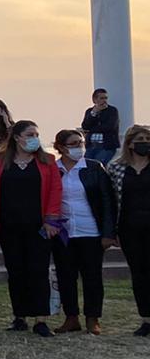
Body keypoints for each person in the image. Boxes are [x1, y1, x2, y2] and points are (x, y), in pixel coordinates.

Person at [0, 119, 61, 337]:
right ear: (17, 138)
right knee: (16, 271)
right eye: (29, 134)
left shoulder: (48, 161)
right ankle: (20, 316)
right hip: (9, 225)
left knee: (38, 270)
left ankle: (41, 319)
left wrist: (51, 220)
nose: (34, 138)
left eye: (36, 134)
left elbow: (56, 191)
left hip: (39, 226)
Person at [52, 128, 115, 334]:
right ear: (60, 147)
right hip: (64, 232)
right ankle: (71, 317)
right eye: (73, 144)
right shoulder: (54, 169)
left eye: (81, 143)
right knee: (66, 276)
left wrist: (108, 233)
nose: (79, 147)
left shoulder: (94, 168)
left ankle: (92, 318)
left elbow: (107, 201)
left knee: (92, 276)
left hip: (91, 231)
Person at [105, 125, 150, 336]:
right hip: (129, 228)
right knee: (139, 273)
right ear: (130, 143)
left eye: (148, 138)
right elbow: (112, 200)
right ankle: (146, 318)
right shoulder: (116, 167)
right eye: (140, 139)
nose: (145, 142)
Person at [81, 88, 120, 163]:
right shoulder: (90, 111)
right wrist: (94, 113)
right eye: (102, 98)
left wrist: (91, 129)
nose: (104, 100)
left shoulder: (112, 111)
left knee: (99, 164)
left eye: (106, 98)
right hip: (91, 145)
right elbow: (85, 126)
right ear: (94, 99)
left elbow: (110, 127)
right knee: (86, 165)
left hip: (106, 146)